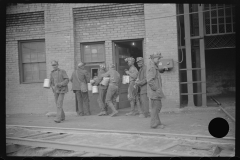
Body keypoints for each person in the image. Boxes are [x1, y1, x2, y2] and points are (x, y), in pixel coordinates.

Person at [147, 52, 168, 129]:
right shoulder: (152, 68)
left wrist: (163, 69)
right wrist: (156, 89)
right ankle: (153, 124)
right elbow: (150, 80)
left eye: (160, 58)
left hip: (155, 92)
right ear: (153, 59)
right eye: (158, 58)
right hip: (154, 92)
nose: (159, 60)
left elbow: (159, 71)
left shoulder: (154, 67)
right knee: (156, 108)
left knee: (156, 107)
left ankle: (157, 123)